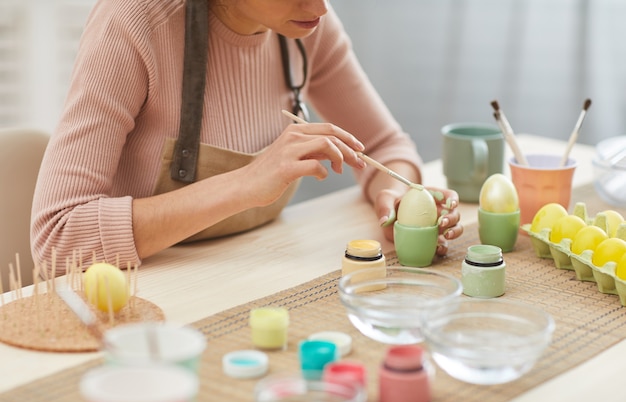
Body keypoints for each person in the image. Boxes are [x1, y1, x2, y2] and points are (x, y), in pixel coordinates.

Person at [31, 0, 463, 275]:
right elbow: (57, 239)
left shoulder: (306, 24)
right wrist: (245, 183)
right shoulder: (133, 23)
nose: (322, 7)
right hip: (142, 300)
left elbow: (385, 147)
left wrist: (397, 195)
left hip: (250, 275)